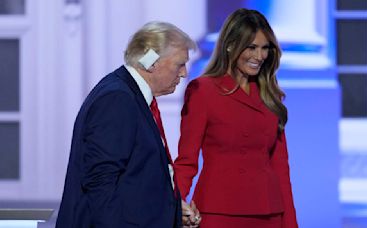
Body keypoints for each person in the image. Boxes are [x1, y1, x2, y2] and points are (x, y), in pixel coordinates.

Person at [56, 21, 200, 228]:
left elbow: (135, 181)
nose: (184, 73)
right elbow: (101, 184)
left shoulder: (129, 95)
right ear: (152, 62)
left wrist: (172, 212)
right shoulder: (117, 99)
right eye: (180, 64)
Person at [174, 8, 298, 228]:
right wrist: (171, 207)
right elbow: (187, 161)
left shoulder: (270, 95)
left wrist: (290, 224)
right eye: (251, 47)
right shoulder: (202, 91)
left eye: (265, 48)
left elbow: (280, 167)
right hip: (220, 211)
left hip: (269, 213)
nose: (259, 56)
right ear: (230, 45)